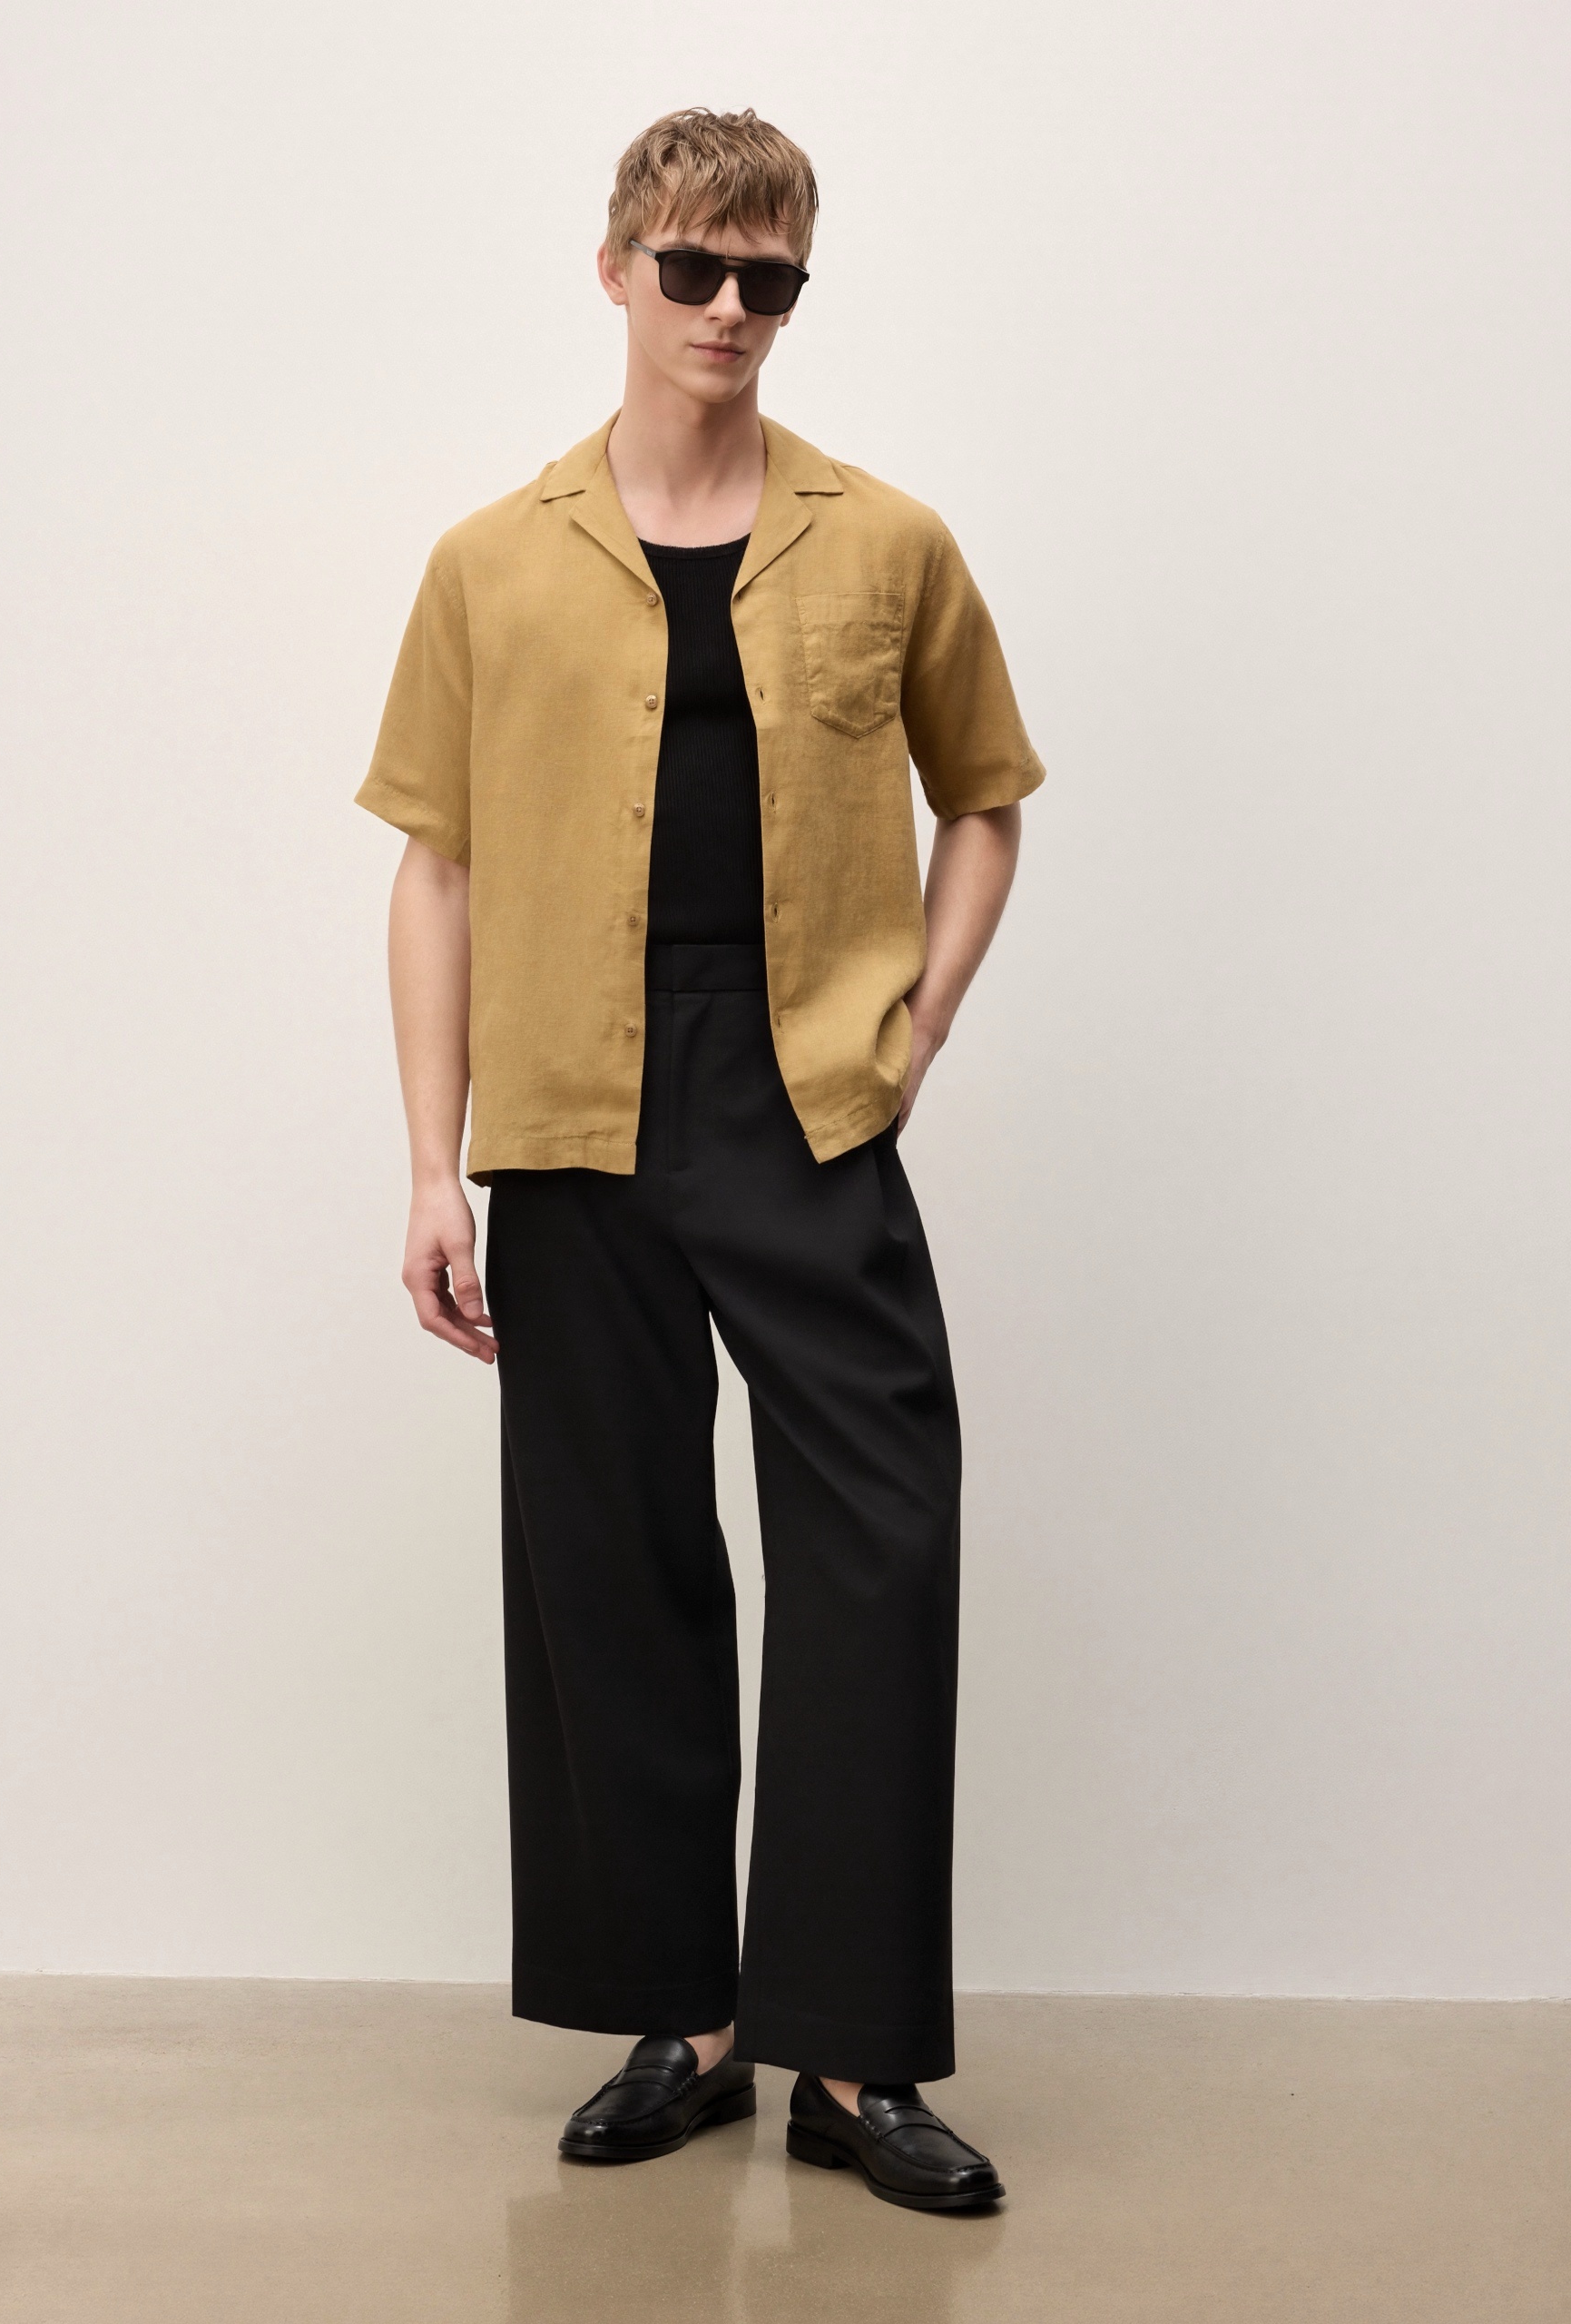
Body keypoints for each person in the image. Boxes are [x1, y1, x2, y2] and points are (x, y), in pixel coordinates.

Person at [357, 105, 1043, 2215]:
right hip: (572, 1105)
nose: (731, 310)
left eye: (770, 279)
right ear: (617, 271)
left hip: (802, 1092)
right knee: (614, 1555)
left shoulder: (890, 540)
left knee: (878, 1539)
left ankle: (849, 2050)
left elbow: (987, 798)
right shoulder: (491, 559)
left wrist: (917, 1022)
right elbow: (437, 868)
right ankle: (689, 2014)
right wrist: (432, 1166)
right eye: (694, 269)